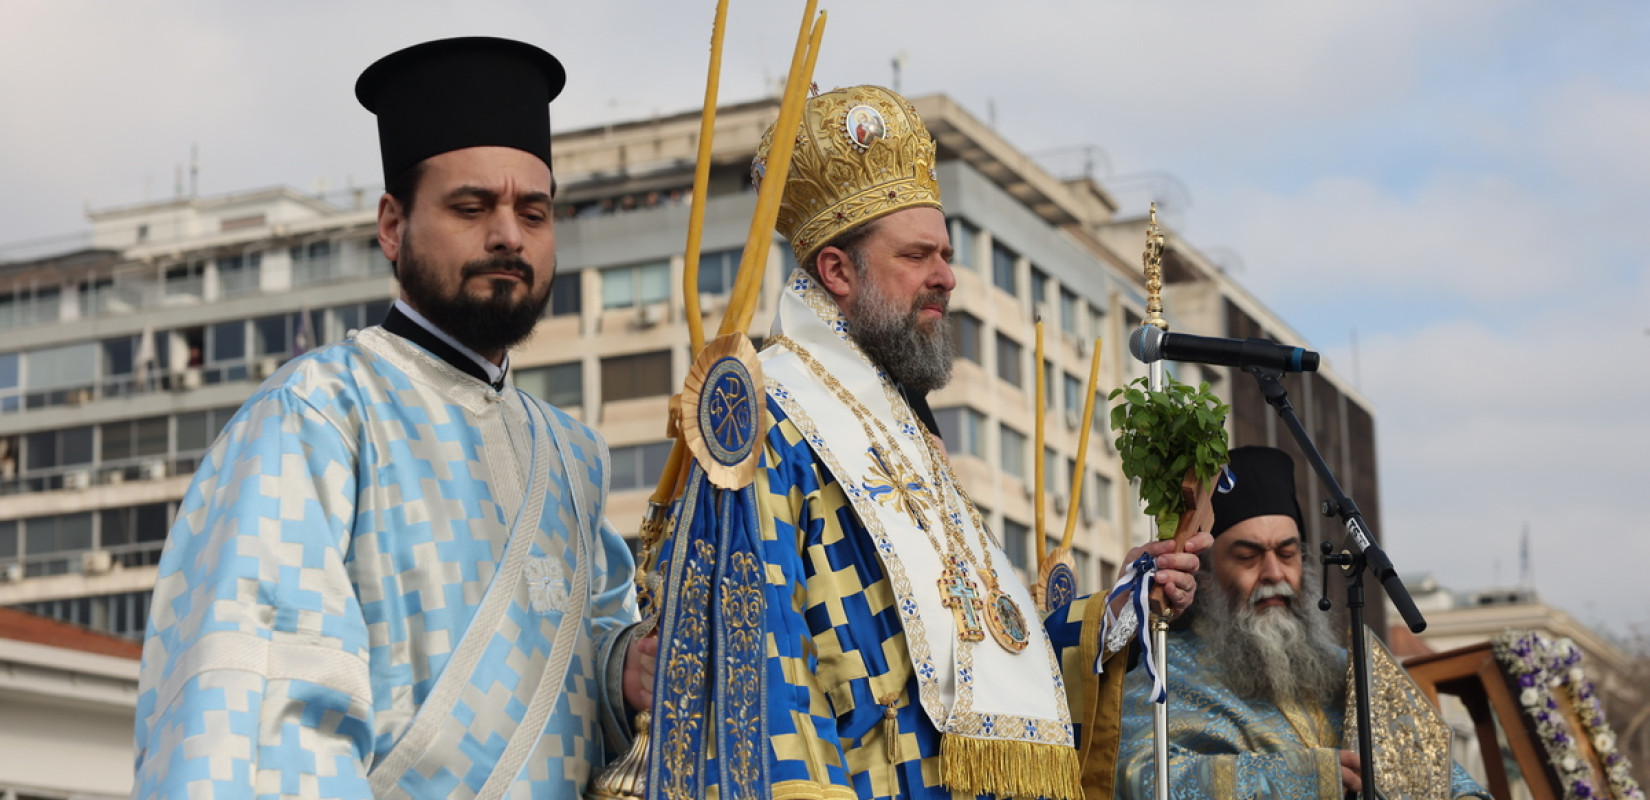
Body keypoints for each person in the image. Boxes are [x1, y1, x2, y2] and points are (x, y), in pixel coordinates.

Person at [641, 84, 1208, 800]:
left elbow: (985, 655)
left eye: (945, 253)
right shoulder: (770, 418)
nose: (947, 277)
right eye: (918, 256)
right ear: (837, 271)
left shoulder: (909, 433)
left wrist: (1119, 609)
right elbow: (760, 676)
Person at [132, 37, 650, 799]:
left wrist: (623, 672)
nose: (508, 234)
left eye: (532, 212)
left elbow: (583, 675)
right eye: (471, 207)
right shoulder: (316, 417)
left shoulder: (572, 453)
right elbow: (270, 713)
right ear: (391, 225)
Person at [1115, 446, 1489, 799]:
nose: (1274, 573)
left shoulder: (1350, 670)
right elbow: (1141, 778)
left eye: (1287, 553)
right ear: (1208, 577)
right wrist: (1303, 779)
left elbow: (1440, 778)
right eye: (1248, 556)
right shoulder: (1164, 670)